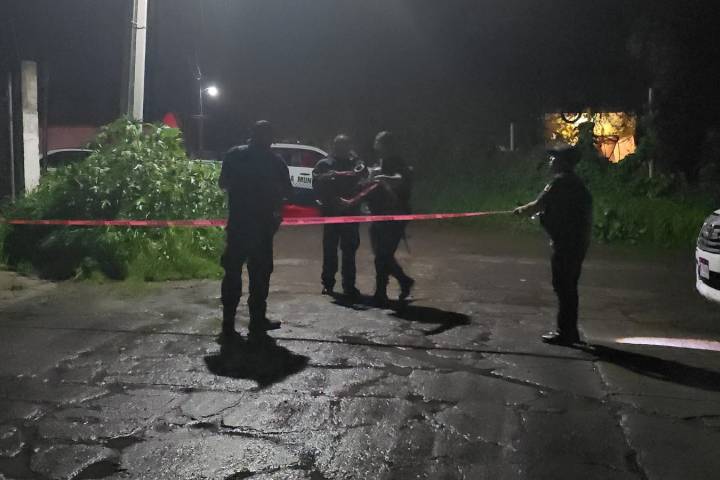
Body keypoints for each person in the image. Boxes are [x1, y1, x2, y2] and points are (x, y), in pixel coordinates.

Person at [219, 120, 292, 340]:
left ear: (251, 134)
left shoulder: (234, 155)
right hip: (262, 228)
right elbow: (288, 193)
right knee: (259, 275)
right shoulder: (275, 161)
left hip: (239, 225)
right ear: (271, 138)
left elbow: (223, 183)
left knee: (233, 273)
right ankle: (256, 321)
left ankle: (229, 323)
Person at [514, 145, 593, 346]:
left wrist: (520, 211)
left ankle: (566, 332)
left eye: (554, 158)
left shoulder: (560, 183)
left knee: (563, 286)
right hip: (577, 242)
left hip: (566, 243)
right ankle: (569, 331)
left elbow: (537, 205)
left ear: (562, 162)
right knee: (569, 286)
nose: (551, 162)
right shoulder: (576, 183)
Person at [312, 134, 365, 297]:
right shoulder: (324, 164)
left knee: (349, 250)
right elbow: (316, 185)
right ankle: (328, 283)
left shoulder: (356, 165)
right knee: (330, 250)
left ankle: (349, 285)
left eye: (345, 144)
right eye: (339, 144)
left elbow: (364, 184)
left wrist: (353, 201)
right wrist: (332, 200)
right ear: (334, 146)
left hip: (351, 213)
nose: (342, 147)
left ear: (349, 146)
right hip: (332, 213)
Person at [366, 131, 415, 306]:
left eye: (379, 142)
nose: (376, 145)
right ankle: (403, 281)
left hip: (394, 216)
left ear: (386, 145)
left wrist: (383, 178)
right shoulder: (379, 163)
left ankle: (381, 291)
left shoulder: (397, 162)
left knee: (383, 255)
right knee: (380, 254)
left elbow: (399, 179)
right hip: (378, 214)